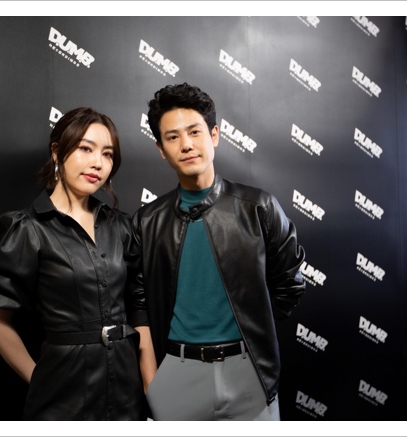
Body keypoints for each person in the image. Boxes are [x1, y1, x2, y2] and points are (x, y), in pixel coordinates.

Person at [130, 83, 307, 421]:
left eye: (194, 132)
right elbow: (138, 304)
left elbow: (290, 283)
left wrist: (252, 328)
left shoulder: (259, 207)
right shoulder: (147, 221)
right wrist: (153, 383)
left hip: (249, 371)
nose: (186, 144)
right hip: (176, 373)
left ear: (214, 135)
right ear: (161, 150)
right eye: (172, 137)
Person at [0, 107, 144, 420]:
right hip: (62, 394)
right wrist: (40, 380)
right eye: (85, 149)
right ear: (57, 151)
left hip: (126, 390)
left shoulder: (120, 226)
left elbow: (140, 306)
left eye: (107, 154)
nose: (98, 163)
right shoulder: (27, 229)